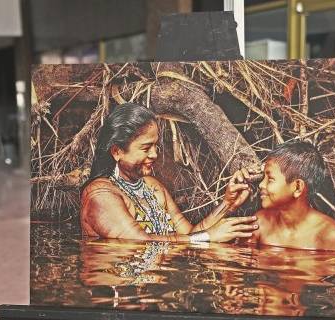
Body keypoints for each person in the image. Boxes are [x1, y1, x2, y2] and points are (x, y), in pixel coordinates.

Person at [80, 103, 258, 243]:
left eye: (155, 146)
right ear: (117, 151)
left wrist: (228, 204)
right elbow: (138, 242)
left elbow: (189, 235)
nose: (154, 154)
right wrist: (208, 237)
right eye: (145, 148)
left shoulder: (153, 186)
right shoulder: (100, 195)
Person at [231, 140, 335, 252]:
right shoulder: (260, 223)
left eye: (270, 179)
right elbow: (237, 269)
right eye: (263, 178)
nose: (261, 184)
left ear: (297, 187)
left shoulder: (329, 235)